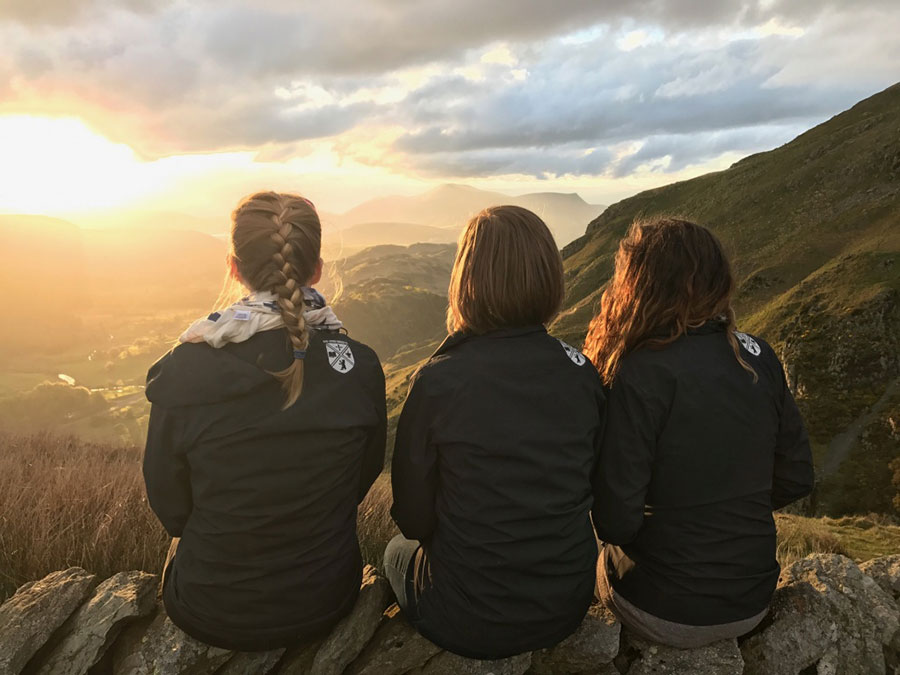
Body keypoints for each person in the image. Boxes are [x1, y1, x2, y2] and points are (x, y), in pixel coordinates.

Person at [143, 191, 386, 651]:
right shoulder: (361, 367)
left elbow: (170, 505)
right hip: (326, 598)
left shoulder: (185, 369)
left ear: (234, 267)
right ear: (315, 270)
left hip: (207, 608)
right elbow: (361, 477)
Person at [386, 205, 606, 659]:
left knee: (393, 551)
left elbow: (412, 518)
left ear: (466, 281)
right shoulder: (583, 372)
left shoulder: (439, 380)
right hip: (566, 603)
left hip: (466, 617)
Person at [585, 217, 814, 648]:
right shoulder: (759, 355)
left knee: (591, 560)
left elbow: (616, 521)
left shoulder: (637, 371)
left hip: (661, 607)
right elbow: (798, 476)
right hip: (752, 600)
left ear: (636, 287)